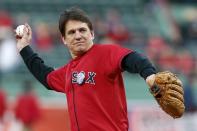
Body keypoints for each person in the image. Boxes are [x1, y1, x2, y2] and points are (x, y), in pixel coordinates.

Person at [15, 7, 179, 131]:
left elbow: (134, 59)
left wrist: (150, 75)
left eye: (82, 30)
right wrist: (24, 48)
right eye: (71, 32)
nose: (78, 35)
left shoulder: (105, 53)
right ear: (64, 39)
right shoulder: (68, 71)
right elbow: (46, 77)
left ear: (92, 33)